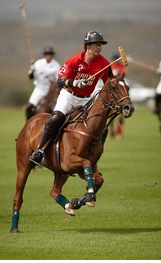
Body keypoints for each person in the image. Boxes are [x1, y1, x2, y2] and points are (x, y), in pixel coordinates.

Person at [30, 31, 112, 166]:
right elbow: (60, 79)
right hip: (69, 96)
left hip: (87, 99)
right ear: (88, 46)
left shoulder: (104, 63)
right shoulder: (74, 60)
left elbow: (110, 83)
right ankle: (40, 151)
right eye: (96, 44)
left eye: (100, 45)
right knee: (56, 118)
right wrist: (74, 83)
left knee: (102, 127)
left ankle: (92, 156)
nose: (99, 47)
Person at [25, 46, 61, 120]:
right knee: (29, 107)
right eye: (47, 54)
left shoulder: (56, 66)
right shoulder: (38, 64)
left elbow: (58, 80)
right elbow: (30, 77)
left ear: (52, 55)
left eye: (50, 54)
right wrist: (32, 69)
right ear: (44, 55)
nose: (48, 56)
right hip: (39, 89)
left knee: (58, 108)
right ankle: (28, 123)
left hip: (51, 90)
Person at [109, 52, 127, 137]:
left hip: (119, 87)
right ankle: (111, 130)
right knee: (110, 112)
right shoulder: (110, 66)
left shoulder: (121, 66)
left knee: (121, 113)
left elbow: (123, 74)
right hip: (112, 88)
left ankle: (120, 131)